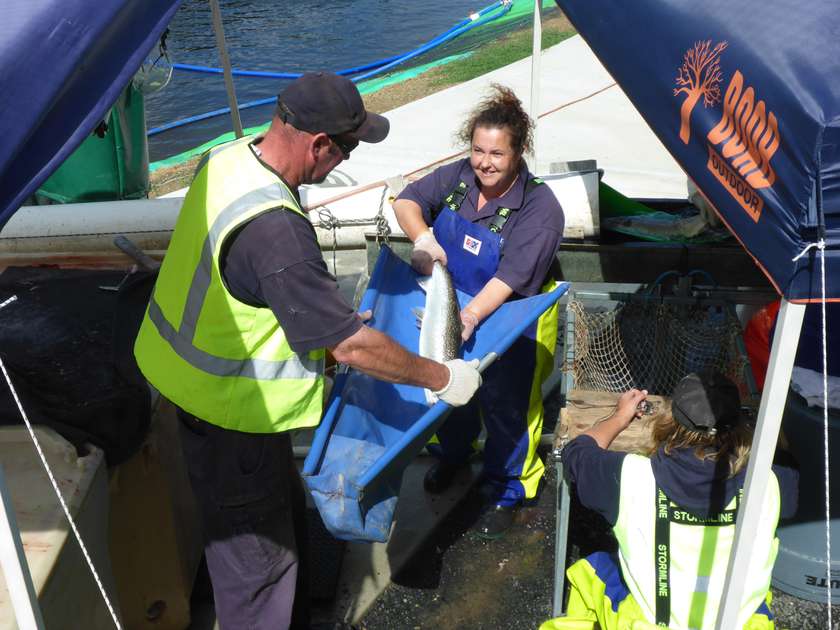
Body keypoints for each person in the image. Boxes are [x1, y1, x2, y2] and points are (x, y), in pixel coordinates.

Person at [133, 72, 482, 630]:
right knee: (258, 576)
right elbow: (351, 346)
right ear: (319, 143)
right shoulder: (277, 233)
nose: (344, 159)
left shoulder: (225, 161)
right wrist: (441, 376)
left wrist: (317, 312)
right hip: (232, 419)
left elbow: (245, 286)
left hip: (190, 390)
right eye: (346, 147)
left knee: (275, 532)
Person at [392, 84, 565, 538]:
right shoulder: (461, 177)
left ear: (519, 151)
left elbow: (511, 279)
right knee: (446, 385)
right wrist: (423, 239)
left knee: (509, 401)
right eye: (477, 151)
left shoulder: (541, 208)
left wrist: (468, 318)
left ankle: (511, 482)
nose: (484, 162)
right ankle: (452, 455)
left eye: (497, 155)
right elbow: (407, 200)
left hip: (515, 311)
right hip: (453, 299)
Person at [541, 370, 799, 630]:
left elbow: (577, 452)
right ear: (739, 426)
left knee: (591, 569)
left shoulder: (629, 477)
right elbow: (784, 461)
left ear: (671, 418)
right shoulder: (772, 482)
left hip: (651, 625)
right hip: (738, 623)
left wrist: (620, 416)